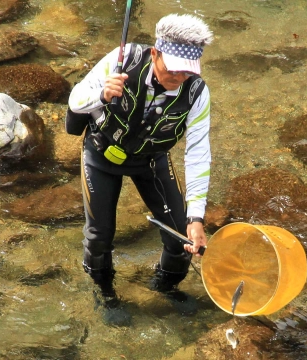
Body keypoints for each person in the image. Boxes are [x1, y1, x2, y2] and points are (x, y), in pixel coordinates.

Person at [67, 13, 213, 326]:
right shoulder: (124, 59)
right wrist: (102, 94)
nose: (178, 78)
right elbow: (76, 99)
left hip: (151, 161)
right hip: (101, 154)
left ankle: (165, 287)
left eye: (186, 72)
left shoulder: (197, 93)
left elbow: (198, 153)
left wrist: (196, 216)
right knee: (99, 237)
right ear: (155, 53)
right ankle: (105, 293)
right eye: (172, 68)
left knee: (181, 238)